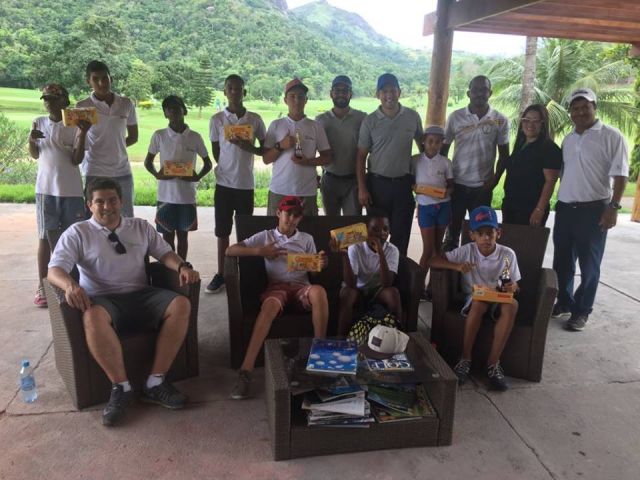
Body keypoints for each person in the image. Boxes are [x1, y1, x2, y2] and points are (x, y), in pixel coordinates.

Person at [47, 178, 200, 426]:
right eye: (100, 201)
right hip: (103, 299)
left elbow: (164, 253)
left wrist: (182, 266)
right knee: (92, 316)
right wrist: (70, 285)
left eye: (112, 200)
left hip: (142, 294)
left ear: (121, 201)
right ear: (89, 205)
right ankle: (122, 387)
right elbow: (54, 270)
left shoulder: (139, 227)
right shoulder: (78, 233)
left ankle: (155, 382)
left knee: (181, 304)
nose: (107, 206)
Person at [226, 196, 329, 399]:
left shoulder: (306, 239)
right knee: (270, 306)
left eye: (296, 215)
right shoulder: (266, 237)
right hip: (277, 288)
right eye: (288, 213)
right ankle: (246, 371)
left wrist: (319, 264)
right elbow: (231, 250)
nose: (291, 219)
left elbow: (314, 275)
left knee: (319, 291)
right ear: (278, 213)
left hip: (301, 288)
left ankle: (320, 356)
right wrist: (260, 251)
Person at [551, 88, 629, 331]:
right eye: (576, 108)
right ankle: (564, 301)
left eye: (586, 106)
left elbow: (621, 175)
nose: (581, 111)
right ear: (570, 113)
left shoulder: (611, 136)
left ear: (595, 107)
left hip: (594, 210)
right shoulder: (569, 139)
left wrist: (613, 207)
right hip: (565, 209)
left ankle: (582, 310)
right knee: (562, 261)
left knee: (589, 264)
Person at [429, 206, 520, 391]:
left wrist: (513, 286)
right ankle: (465, 359)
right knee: (478, 303)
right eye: (480, 233)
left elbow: (516, 283)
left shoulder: (507, 254)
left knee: (512, 304)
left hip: (499, 295)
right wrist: (456, 266)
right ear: (472, 235)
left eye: (490, 233)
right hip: (476, 297)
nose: (486, 238)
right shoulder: (467, 251)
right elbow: (432, 261)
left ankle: (493, 364)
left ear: (499, 233)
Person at [29, 84, 88, 307]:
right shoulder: (39, 121)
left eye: (53, 99)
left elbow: (77, 159)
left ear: (65, 101)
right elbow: (35, 155)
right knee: (45, 238)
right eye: (46, 99)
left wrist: (82, 133)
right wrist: (31, 140)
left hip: (71, 190)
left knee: (74, 237)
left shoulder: (74, 123)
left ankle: (75, 283)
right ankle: (43, 285)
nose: (49, 103)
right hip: (45, 190)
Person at [206, 74, 266, 294]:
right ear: (224, 91)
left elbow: (264, 149)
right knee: (222, 231)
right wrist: (223, 164)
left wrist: (248, 147)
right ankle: (221, 273)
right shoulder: (216, 120)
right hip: (224, 184)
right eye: (230, 88)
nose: (234, 92)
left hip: (245, 184)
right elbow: (215, 149)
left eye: (238, 88)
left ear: (244, 92)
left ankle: (243, 273)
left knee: (245, 232)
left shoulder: (255, 119)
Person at [356, 73, 423, 256]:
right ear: (378, 94)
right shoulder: (370, 121)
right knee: (376, 235)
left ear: (399, 92)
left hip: (403, 185)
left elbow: (423, 148)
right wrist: (362, 188)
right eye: (384, 91)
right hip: (377, 185)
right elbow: (361, 156)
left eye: (393, 90)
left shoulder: (412, 116)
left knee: (401, 236)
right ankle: (376, 276)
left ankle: (397, 276)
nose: (389, 95)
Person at [441, 75, 509, 251]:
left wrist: (493, 182)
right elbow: (443, 151)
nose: (479, 93)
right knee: (452, 234)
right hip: (457, 186)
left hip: (482, 189)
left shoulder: (500, 120)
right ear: (468, 93)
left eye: (484, 90)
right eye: (475, 90)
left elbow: (504, 156)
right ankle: (452, 274)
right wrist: (444, 180)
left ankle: (473, 276)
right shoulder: (455, 117)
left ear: (490, 93)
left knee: (480, 236)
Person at [144, 95, 212, 260]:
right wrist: (157, 174)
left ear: (185, 110)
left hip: (186, 197)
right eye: (169, 109)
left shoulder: (195, 137)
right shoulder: (159, 135)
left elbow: (208, 163)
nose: (173, 111)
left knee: (183, 237)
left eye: (177, 107)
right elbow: (148, 162)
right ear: (165, 114)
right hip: (166, 196)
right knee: (167, 237)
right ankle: (171, 269)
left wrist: (197, 177)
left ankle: (182, 266)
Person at [77, 60, 138, 217]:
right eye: (95, 79)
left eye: (105, 78)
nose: (101, 83)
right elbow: (77, 142)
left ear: (111, 79)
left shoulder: (126, 103)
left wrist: (115, 146)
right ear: (88, 81)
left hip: (122, 171)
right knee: (96, 219)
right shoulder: (82, 106)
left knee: (125, 217)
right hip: (95, 170)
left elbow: (133, 137)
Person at [263, 78, 332, 216]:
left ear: (306, 100)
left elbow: (327, 157)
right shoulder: (276, 125)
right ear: (285, 100)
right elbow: (266, 159)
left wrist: (308, 161)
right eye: (292, 96)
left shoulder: (315, 126)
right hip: (279, 190)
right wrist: (280, 146)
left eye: (301, 97)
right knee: (276, 234)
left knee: (308, 234)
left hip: (306, 192)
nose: (297, 100)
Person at [335, 215, 401, 336]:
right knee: (347, 293)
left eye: (385, 229)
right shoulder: (355, 247)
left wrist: (380, 252)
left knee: (393, 293)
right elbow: (351, 284)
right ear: (366, 230)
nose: (381, 233)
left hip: (378, 291)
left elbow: (387, 283)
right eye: (375, 229)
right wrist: (344, 256)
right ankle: (341, 340)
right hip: (358, 289)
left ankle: (396, 338)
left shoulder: (392, 250)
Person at [501, 104, 561, 226]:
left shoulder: (550, 149)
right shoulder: (521, 143)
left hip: (531, 209)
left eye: (536, 121)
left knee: (528, 244)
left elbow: (550, 182)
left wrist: (539, 210)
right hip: (511, 206)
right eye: (526, 120)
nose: (530, 124)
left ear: (543, 124)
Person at [412, 126, 454, 299]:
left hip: (443, 207)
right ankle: (419, 286)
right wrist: (415, 188)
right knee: (427, 249)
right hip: (425, 208)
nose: (433, 145)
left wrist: (447, 193)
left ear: (442, 143)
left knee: (438, 248)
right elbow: (409, 182)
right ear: (423, 141)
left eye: (437, 142)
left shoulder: (445, 162)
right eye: (430, 141)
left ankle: (433, 287)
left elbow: (451, 185)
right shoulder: (415, 160)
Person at [315, 75, 366, 216]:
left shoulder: (362, 118)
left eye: (345, 90)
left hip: (353, 181)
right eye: (337, 90)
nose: (341, 94)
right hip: (329, 180)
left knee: (353, 227)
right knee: (331, 226)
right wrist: (313, 174)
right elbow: (311, 149)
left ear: (351, 94)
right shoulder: (320, 120)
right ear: (331, 93)